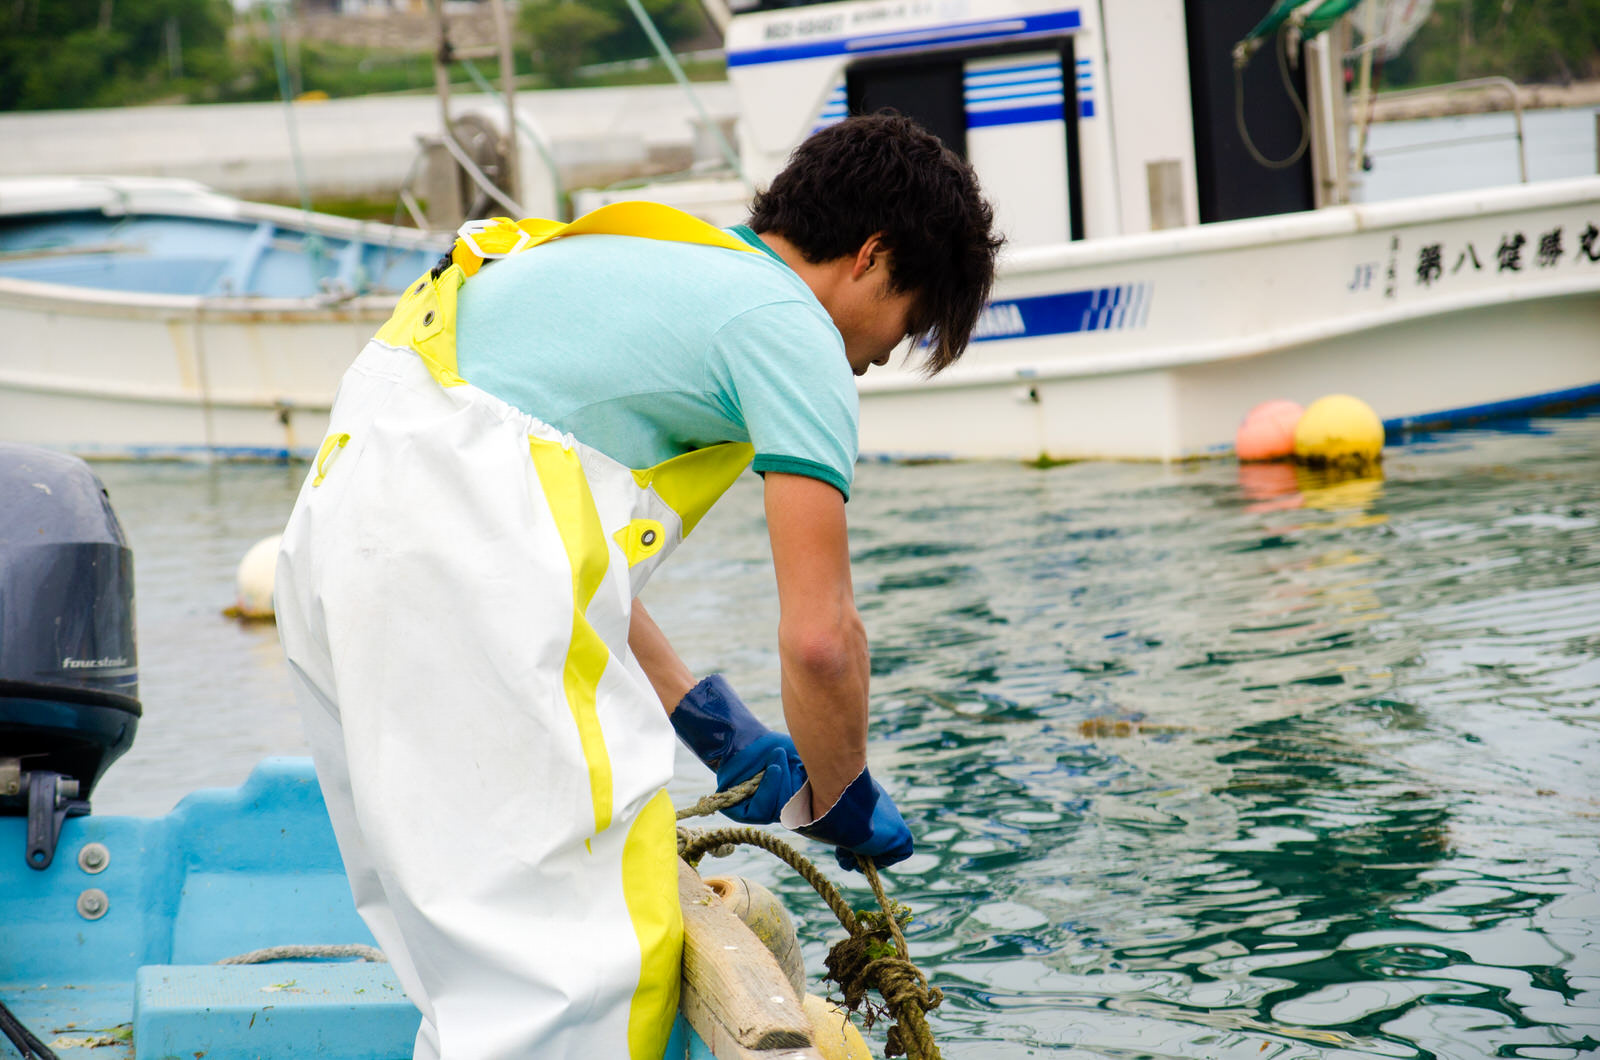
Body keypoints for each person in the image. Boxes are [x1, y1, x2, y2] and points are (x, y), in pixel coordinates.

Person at [275, 113, 1000, 1060]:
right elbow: (822, 638)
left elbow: (525, 514)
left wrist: (705, 717)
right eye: (908, 324)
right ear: (871, 256)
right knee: (577, 984)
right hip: (461, 575)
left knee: (476, 967)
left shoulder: (638, 254)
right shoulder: (791, 326)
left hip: (338, 550)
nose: (882, 354)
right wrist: (841, 790)